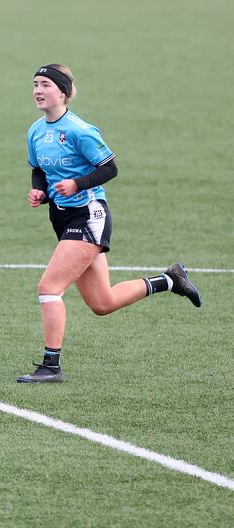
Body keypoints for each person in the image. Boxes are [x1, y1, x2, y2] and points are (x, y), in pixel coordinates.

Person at [18, 64, 202, 384]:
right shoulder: (36, 130)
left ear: (62, 92)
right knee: (103, 303)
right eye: (35, 84)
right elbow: (39, 169)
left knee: (49, 288)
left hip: (89, 215)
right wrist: (40, 191)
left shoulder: (80, 130)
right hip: (61, 216)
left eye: (46, 84)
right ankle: (170, 280)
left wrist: (77, 184)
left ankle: (51, 366)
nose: (38, 90)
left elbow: (109, 168)